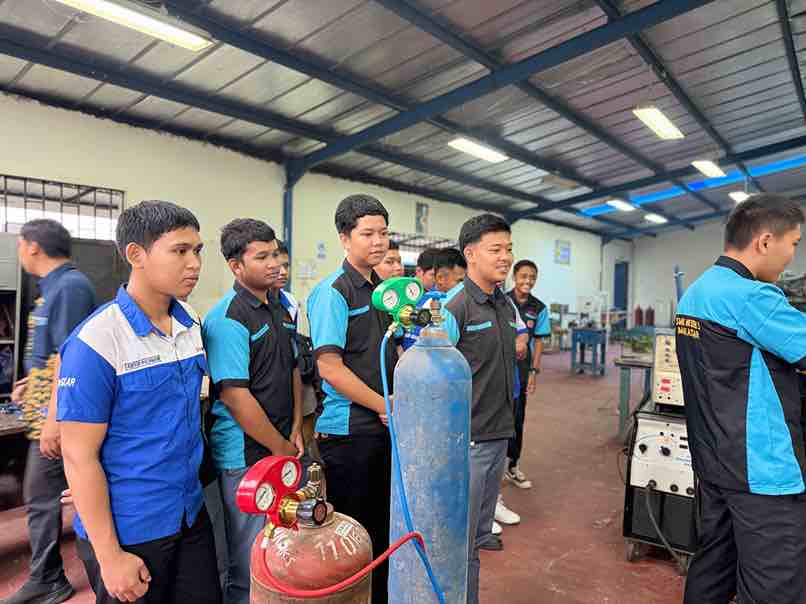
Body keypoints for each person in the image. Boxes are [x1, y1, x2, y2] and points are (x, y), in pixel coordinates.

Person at [57, 201, 221, 604]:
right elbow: (78, 456)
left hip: (189, 514)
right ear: (136, 254)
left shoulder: (189, 323)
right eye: (179, 251)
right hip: (132, 530)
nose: (194, 264)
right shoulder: (98, 340)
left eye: (197, 251)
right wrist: (110, 557)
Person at [676, 194, 806, 604]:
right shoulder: (752, 297)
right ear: (765, 241)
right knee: (775, 585)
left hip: (714, 462)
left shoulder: (696, 293)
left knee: (713, 568)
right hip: (763, 472)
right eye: (794, 244)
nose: (792, 256)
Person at [203, 221, 303, 604]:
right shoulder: (227, 319)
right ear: (235, 266)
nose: (274, 263)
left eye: (275, 253)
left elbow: (293, 368)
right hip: (245, 457)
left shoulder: (280, 306)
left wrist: (296, 429)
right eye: (261, 257)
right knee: (249, 558)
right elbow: (235, 397)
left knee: (280, 546)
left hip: (282, 445)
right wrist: (279, 446)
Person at [307, 194, 396, 604]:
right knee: (356, 540)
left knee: (383, 532)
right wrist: (383, 404)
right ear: (345, 238)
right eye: (367, 234)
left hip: (383, 427)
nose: (378, 242)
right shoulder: (333, 292)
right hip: (349, 433)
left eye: (383, 233)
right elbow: (330, 367)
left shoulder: (383, 290)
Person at [1, 220, 96, 604]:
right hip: (46, 408)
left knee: (41, 496)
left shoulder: (71, 287)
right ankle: (48, 574)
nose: (19, 253)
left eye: (20, 245)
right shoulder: (52, 288)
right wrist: (32, 380)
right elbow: (52, 355)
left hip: (59, 415)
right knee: (41, 495)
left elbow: (70, 359)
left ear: (33, 247)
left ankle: (48, 578)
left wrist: (54, 421)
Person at [440, 214, 517, 604]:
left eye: (509, 249)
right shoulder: (456, 308)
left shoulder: (503, 303)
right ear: (470, 254)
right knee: (460, 544)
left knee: (478, 537)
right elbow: (434, 377)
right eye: (496, 249)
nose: (505, 257)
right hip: (468, 442)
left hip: (498, 435)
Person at [505, 260, 550, 489]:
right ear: (514, 276)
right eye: (523, 276)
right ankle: (493, 467)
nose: (528, 281)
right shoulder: (501, 300)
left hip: (521, 370)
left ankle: (512, 465)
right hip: (499, 366)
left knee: (517, 417)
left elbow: (539, 341)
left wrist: (533, 371)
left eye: (532, 277)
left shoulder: (539, 308)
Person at [402, 248, 466, 351]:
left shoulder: (431, 298)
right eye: (459, 281)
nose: (462, 287)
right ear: (440, 278)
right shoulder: (443, 305)